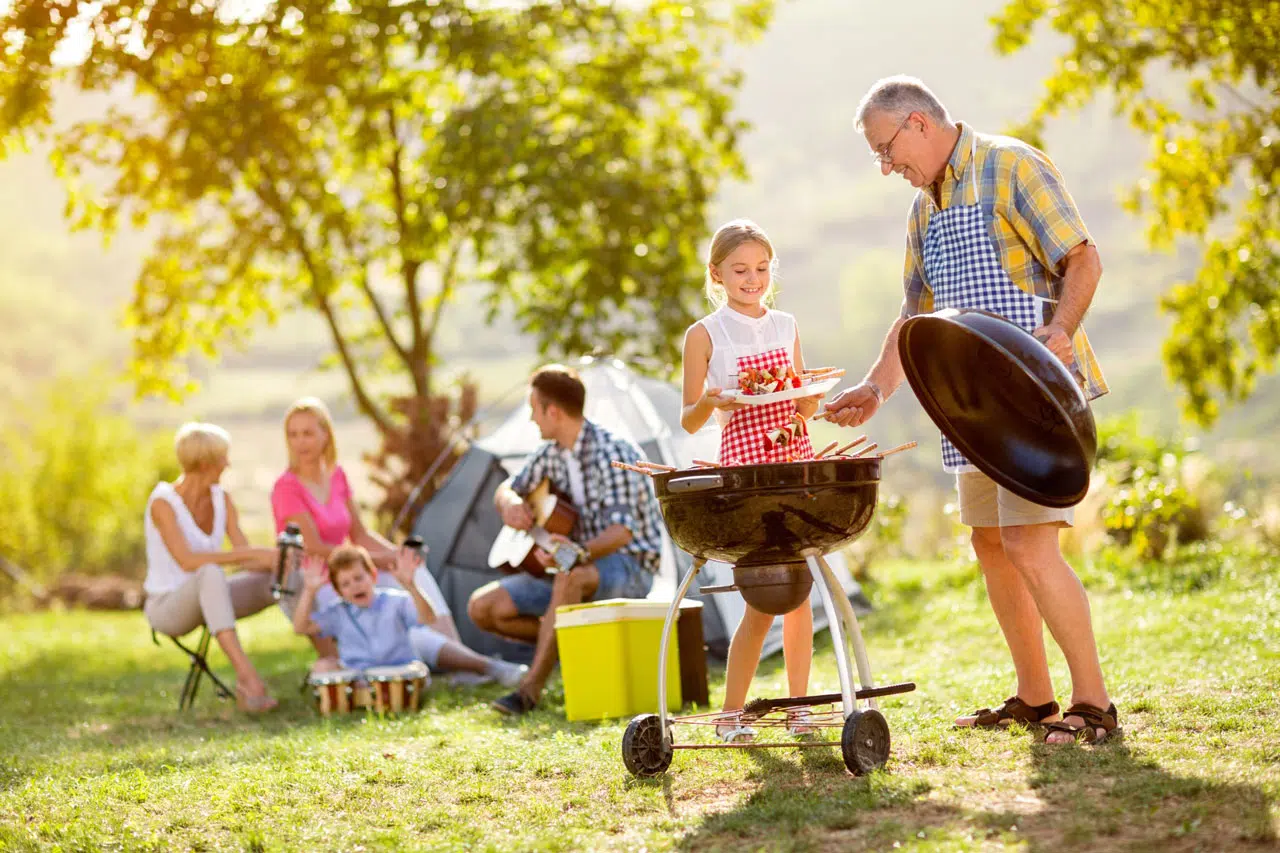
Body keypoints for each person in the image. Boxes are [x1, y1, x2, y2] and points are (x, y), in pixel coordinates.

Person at [826, 76, 1117, 744]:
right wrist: (875, 387)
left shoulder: (1009, 164)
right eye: (876, 155)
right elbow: (913, 314)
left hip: (1033, 401)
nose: (885, 165)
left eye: (886, 148)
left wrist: (1063, 328)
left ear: (919, 123)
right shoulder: (923, 209)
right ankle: (1036, 698)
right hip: (970, 409)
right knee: (991, 545)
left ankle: (1094, 703)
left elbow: (1083, 256)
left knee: (1027, 543)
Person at [679, 218, 825, 741]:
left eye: (761, 269)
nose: (752, 279)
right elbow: (688, 418)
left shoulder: (786, 325)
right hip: (746, 474)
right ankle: (729, 714)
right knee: (764, 598)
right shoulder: (704, 334)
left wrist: (809, 400)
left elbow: (800, 399)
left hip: (793, 462)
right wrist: (714, 402)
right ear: (716, 274)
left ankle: (800, 706)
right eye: (740, 270)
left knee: (800, 591)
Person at [467, 364, 665, 716]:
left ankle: (530, 689)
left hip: (629, 566)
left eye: (534, 410)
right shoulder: (550, 453)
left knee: (569, 573)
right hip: (572, 567)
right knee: (482, 607)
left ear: (553, 412)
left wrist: (574, 553)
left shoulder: (613, 451)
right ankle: (567, 648)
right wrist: (510, 504)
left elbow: (623, 533)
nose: (532, 419)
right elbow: (509, 487)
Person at [270, 397, 458, 650]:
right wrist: (374, 560)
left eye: (307, 433)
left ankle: (454, 648)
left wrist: (395, 554)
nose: (300, 442)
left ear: (326, 434)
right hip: (319, 579)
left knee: (415, 573)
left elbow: (359, 533)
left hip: (354, 567)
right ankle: (437, 656)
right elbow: (313, 547)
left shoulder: (337, 475)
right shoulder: (286, 488)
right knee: (373, 585)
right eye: (293, 435)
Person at [143, 422, 280, 712]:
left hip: (212, 599)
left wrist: (273, 560)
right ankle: (247, 679)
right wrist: (251, 553)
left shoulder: (222, 499)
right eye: (222, 458)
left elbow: (243, 556)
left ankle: (330, 665)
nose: (227, 464)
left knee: (279, 578)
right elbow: (188, 561)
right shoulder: (162, 502)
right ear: (205, 464)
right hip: (167, 607)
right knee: (208, 571)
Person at [293, 545, 526, 687]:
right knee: (322, 667)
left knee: (422, 647)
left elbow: (428, 618)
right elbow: (301, 627)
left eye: (358, 578)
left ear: (373, 576)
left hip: (400, 672)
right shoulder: (337, 612)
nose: (354, 586)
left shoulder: (394, 600)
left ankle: (492, 667)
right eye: (345, 583)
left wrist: (412, 586)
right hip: (362, 678)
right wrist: (310, 590)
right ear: (337, 590)